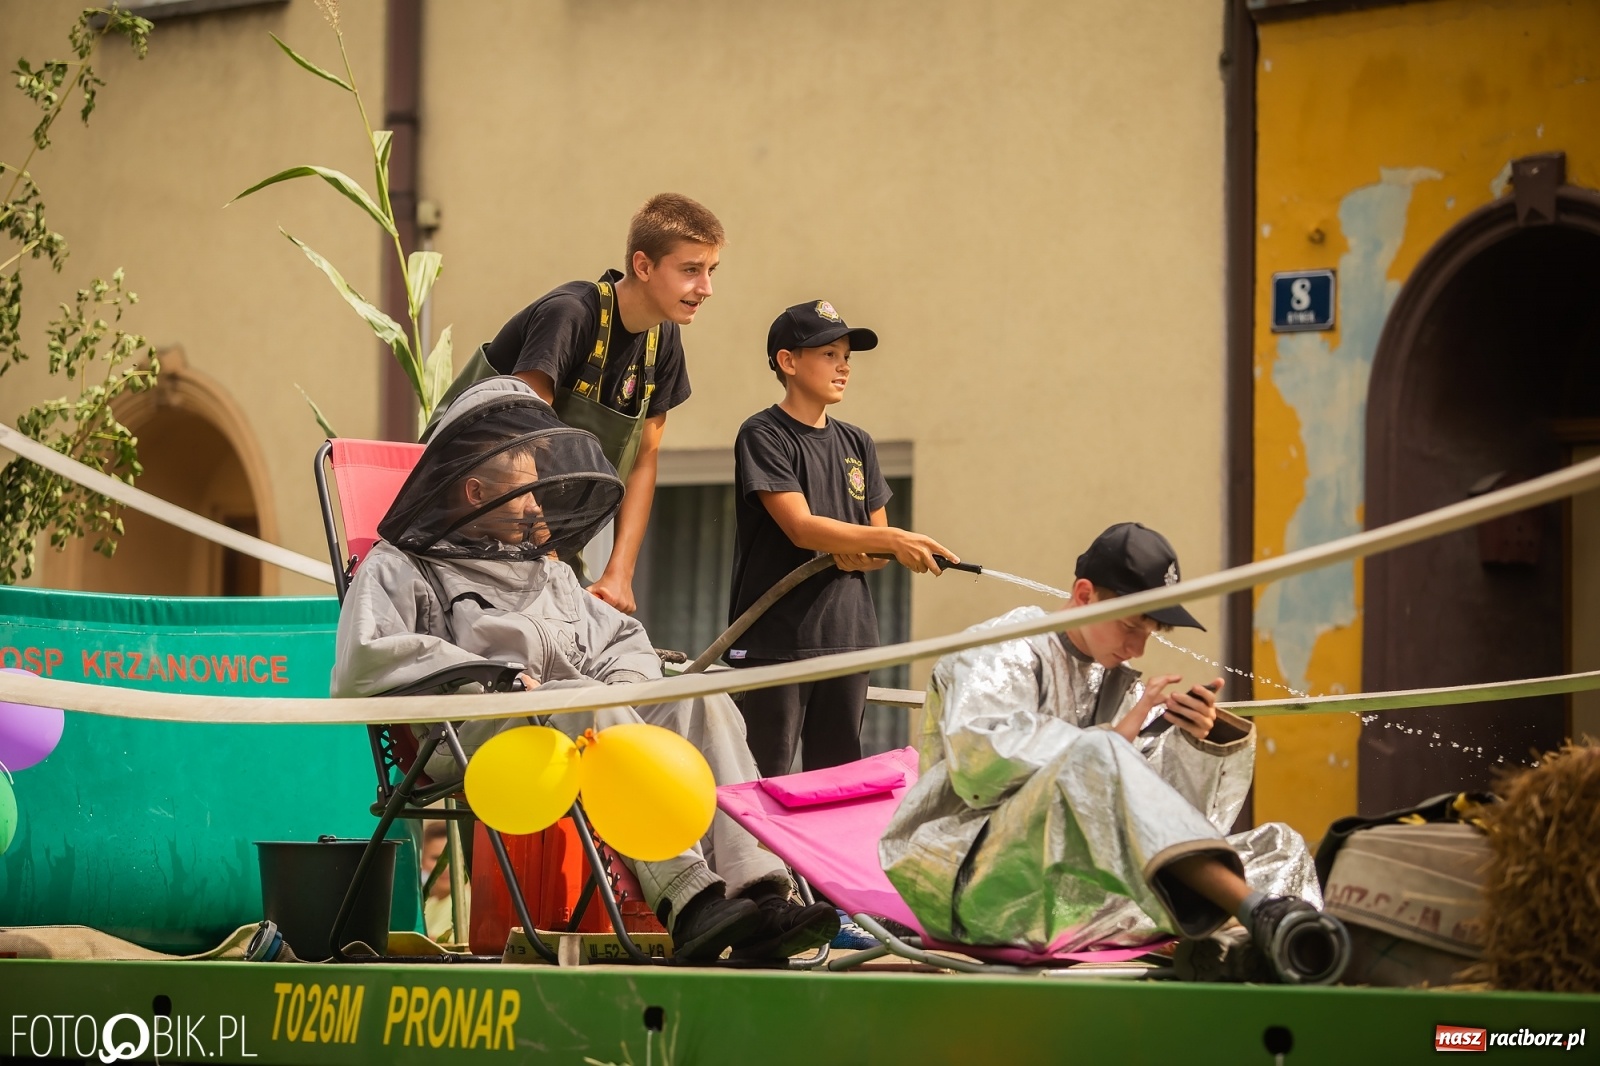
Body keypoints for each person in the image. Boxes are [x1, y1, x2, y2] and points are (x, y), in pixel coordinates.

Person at [332, 377, 838, 962]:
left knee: (704, 698)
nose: (538, 507)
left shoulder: (545, 571)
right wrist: (487, 673)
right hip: (466, 736)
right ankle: (690, 899)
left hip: (572, 717)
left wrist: (624, 689)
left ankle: (762, 894)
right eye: (525, 493)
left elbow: (622, 639)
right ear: (475, 492)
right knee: (589, 709)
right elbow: (362, 660)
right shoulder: (400, 565)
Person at [879, 522, 1352, 983]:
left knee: (1281, 849)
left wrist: (1197, 743)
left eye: (1151, 632)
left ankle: (1254, 947)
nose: (1138, 648)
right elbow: (978, 768)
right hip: (977, 887)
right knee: (1098, 751)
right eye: (1130, 625)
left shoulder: (1116, 682)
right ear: (1084, 594)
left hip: (1076, 892)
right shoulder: (999, 649)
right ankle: (1253, 915)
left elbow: (1175, 826)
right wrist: (1109, 739)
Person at [727, 300, 957, 777]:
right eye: (829, 354)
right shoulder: (763, 434)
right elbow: (801, 526)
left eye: (847, 356)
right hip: (777, 642)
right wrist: (891, 540)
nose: (844, 366)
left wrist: (876, 548)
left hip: (849, 637)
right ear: (788, 361)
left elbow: (875, 546)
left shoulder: (858, 443)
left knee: (838, 779)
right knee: (764, 777)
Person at [474, 193, 724, 614]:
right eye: (690, 270)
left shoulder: (663, 340)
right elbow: (516, 441)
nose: (706, 288)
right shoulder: (571, 314)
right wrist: (547, 557)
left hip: (546, 553)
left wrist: (619, 574)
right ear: (643, 266)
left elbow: (644, 460)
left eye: (711, 271)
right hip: (470, 541)